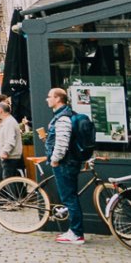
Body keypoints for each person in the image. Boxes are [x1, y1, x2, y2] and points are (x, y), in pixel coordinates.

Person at [45, 86, 88, 245]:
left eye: (50, 96)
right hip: (69, 162)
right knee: (71, 197)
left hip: (65, 163)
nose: (47, 99)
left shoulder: (62, 118)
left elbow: (62, 143)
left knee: (69, 198)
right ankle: (74, 231)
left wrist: (55, 159)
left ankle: (76, 233)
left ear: (58, 99)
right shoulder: (68, 115)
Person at [0, 99, 24, 180]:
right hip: (10, 157)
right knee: (12, 181)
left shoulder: (9, 122)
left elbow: (10, 139)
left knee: (9, 181)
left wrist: (5, 152)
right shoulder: (7, 121)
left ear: (1, 110)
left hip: (10, 157)